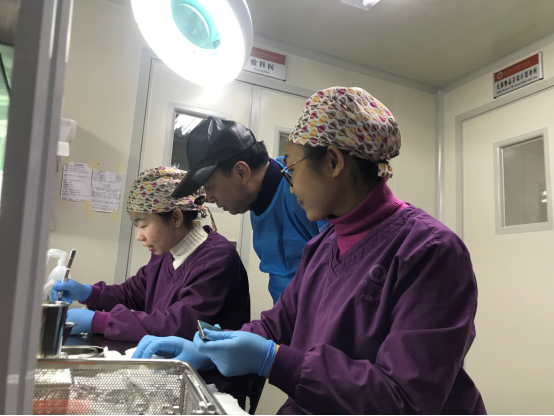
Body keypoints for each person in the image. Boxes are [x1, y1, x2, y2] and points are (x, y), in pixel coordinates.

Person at [133, 88, 486, 415]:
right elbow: (278, 323)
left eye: (291, 169)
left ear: (333, 161)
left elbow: (405, 399)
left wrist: (274, 360)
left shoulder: (429, 251)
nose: (289, 186)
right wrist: (206, 348)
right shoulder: (323, 245)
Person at [53, 166, 250, 342]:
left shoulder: (216, 259)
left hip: (209, 369)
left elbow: (178, 325)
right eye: (136, 226)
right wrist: (89, 293)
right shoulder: (167, 251)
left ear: (176, 217)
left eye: (144, 225)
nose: (139, 236)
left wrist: (100, 321)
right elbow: (133, 293)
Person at [172, 117, 325, 304]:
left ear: (241, 172)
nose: (210, 198)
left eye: (210, 187)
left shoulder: (306, 192)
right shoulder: (256, 201)